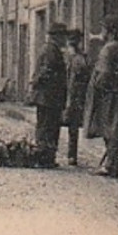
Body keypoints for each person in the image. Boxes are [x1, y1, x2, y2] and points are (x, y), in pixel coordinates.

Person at [84, 19, 118, 178]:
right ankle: (114, 165)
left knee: (110, 129)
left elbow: (104, 73)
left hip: (108, 95)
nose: (102, 34)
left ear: (110, 32)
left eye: (104, 30)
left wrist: (98, 87)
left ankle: (110, 165)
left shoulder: (109, 49)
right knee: (115, 128)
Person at [29, 26, 68, 155]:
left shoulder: (50, 49)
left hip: (48, 96)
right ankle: (44, 156)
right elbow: (47, 71)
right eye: (63, 37)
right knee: (47, 126)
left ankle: (46, 155)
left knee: (48, 125)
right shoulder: (51, 50)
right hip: (48, 96)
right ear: (57, 37)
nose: (65, 40)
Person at [61, 29, 92, 166]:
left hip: (75, 97)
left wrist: (69, 100)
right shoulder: (79, 58)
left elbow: (73, 82)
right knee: (72, 127)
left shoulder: (76, 60)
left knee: (73, 126)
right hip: (77, 96)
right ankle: (71, 155)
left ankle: (71, 155)